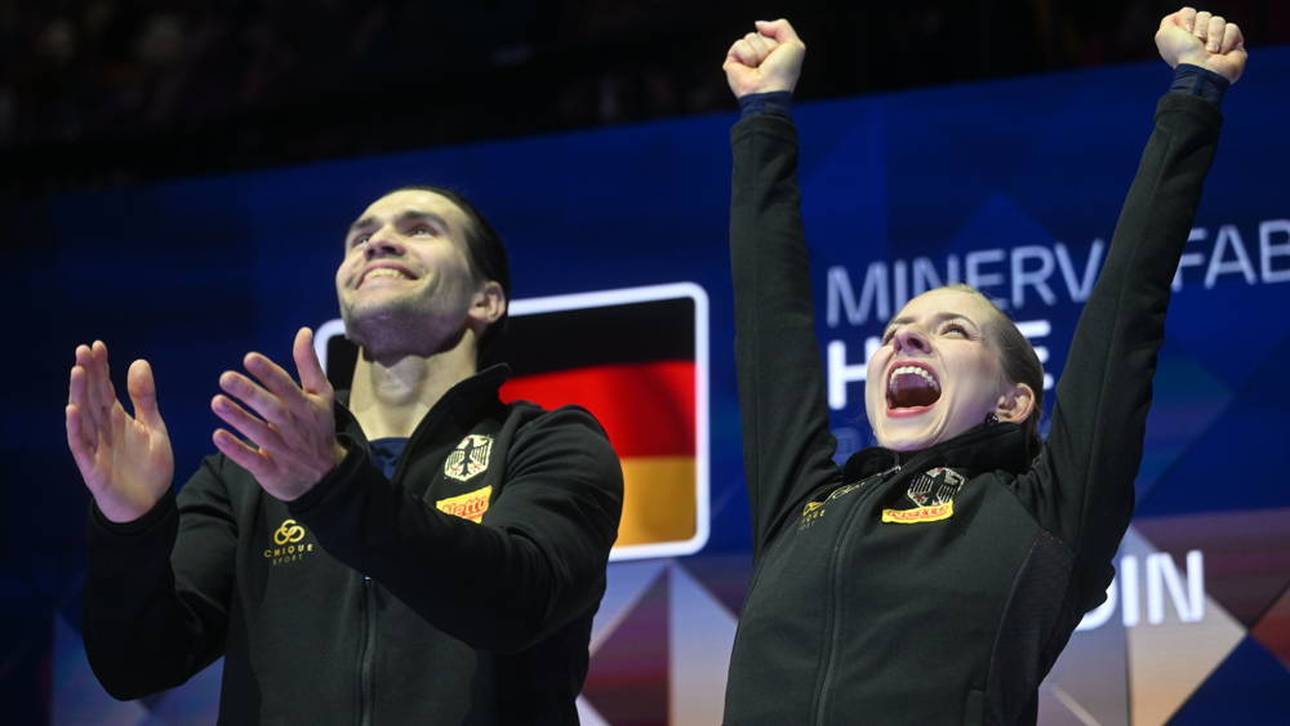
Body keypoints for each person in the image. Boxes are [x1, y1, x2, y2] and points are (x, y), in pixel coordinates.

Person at [720, 8, 1243, 725]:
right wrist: (762, 112)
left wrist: (1194, 96)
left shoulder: (1046, 512)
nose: (906, 341)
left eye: (952, 330)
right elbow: (768, 324)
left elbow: (1127, 312)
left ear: (1013, 401)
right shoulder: (804, 504)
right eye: (896, 332)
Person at [65, 186, 624, 724]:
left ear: (486, 300)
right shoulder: (251, 468)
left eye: (420, 229)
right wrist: (130, 527)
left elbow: (515, 604)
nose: (377, 243)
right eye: (360, 237)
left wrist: (331, 488)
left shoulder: (548, 443)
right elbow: (137, 665)